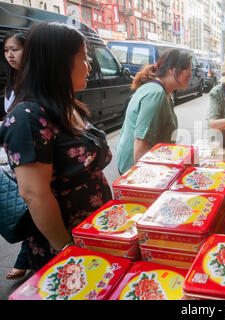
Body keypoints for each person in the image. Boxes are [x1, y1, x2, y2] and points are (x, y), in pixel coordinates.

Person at [0, 22, 113, 271]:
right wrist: (66, 250)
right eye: (84, 57)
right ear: (59, 63)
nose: (90, 65)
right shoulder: (28, 117)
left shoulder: (66, 104)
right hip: (66, 239)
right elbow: (34, 194)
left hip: (92, 228)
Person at [115, 49, 192, 174]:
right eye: (187, 69)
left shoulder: (164, 92)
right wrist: (144, 183)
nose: (190, 74)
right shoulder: (156, 94)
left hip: (150, 165)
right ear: (171, 69)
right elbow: (141, 143)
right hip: (135, 171)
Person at [1, 31, 30, 280]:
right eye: (6, 50)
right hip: (14, 159)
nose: (10, 55)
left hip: (28, 159)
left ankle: (23, 259)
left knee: (31, 206)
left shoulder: (33, 83)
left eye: (15, 49)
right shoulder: (12, 81)